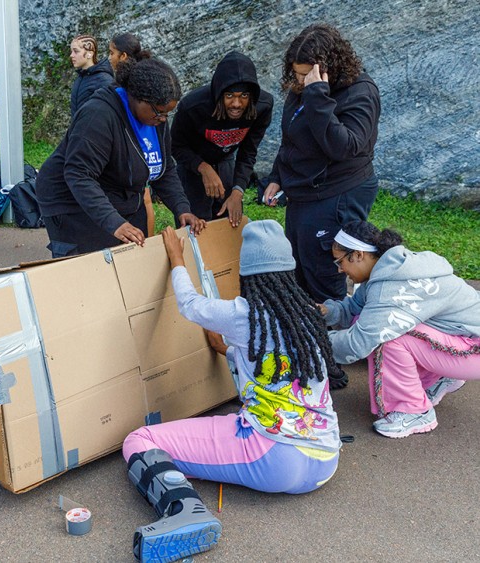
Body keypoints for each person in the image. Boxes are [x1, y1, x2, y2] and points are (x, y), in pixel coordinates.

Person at [123, 220, 341, 563]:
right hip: (325, 460)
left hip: (271, 457)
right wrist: (229, 352)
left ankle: (184, 511)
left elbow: (190, 304)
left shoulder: (244, 315)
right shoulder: (308, 315)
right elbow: (276, 364)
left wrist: (176, 257)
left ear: (247, 273)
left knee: (141, 441)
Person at [319, 220, 480, 439]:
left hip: (473, 349)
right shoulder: (395, 268)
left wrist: (313, 340)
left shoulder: (389, 287)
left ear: (358, 255)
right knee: (372, 321)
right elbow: (354, 309)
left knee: (387, 339)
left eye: (340, 261)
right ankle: (441, 377)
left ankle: (414, 411)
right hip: (464, 338)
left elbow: (358, 343)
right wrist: (325, 312)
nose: (339, 269)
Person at [36, 58, 205, 257]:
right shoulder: (98, 115)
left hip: (119, 195)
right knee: (92, 266)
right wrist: (114, 222)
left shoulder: (155, 121)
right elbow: (79, 174)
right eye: (159, 112)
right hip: (71, 200)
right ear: (138, 97)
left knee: (133, 258)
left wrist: (182, 208)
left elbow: (164, 169)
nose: (162, 119)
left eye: (167, 114)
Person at [263, 23, 381, 304]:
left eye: (306, 74)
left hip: (337, 191)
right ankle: (305, 325)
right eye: (297, 73)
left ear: (328, 69)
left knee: (323, 270)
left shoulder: (360, 93)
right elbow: (291, 137)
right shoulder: (303, 87)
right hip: (304, 192)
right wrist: (277, 176)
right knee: (299, 267)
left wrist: (317, 96)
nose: (300, 81)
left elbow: (345, 147)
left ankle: (333, 327)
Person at [171, 51, 273, 227]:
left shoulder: (262, 106)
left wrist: (238, 191)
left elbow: (248, 152)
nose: (236, 104)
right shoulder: (193, 106)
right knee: (195, 223)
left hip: (226, 160)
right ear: (219, 94)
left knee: (228, 219)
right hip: (193, 161)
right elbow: (175, 145)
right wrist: (203, 167)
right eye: (229, 96)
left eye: (244, 96)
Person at [108, 32, 156, 237]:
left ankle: (148, 241)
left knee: (144, 198)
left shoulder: (126, 87)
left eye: (112, 53)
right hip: (144, 150)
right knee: (145, 198)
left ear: (124, 56)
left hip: (137, 151)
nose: (109, 58)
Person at [69, 34, 114, 117]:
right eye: (71, 51)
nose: (71, 55)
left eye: (76, 51)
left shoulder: (104, 80)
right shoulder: (80, 78)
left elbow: (110, 114)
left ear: (89, 54)